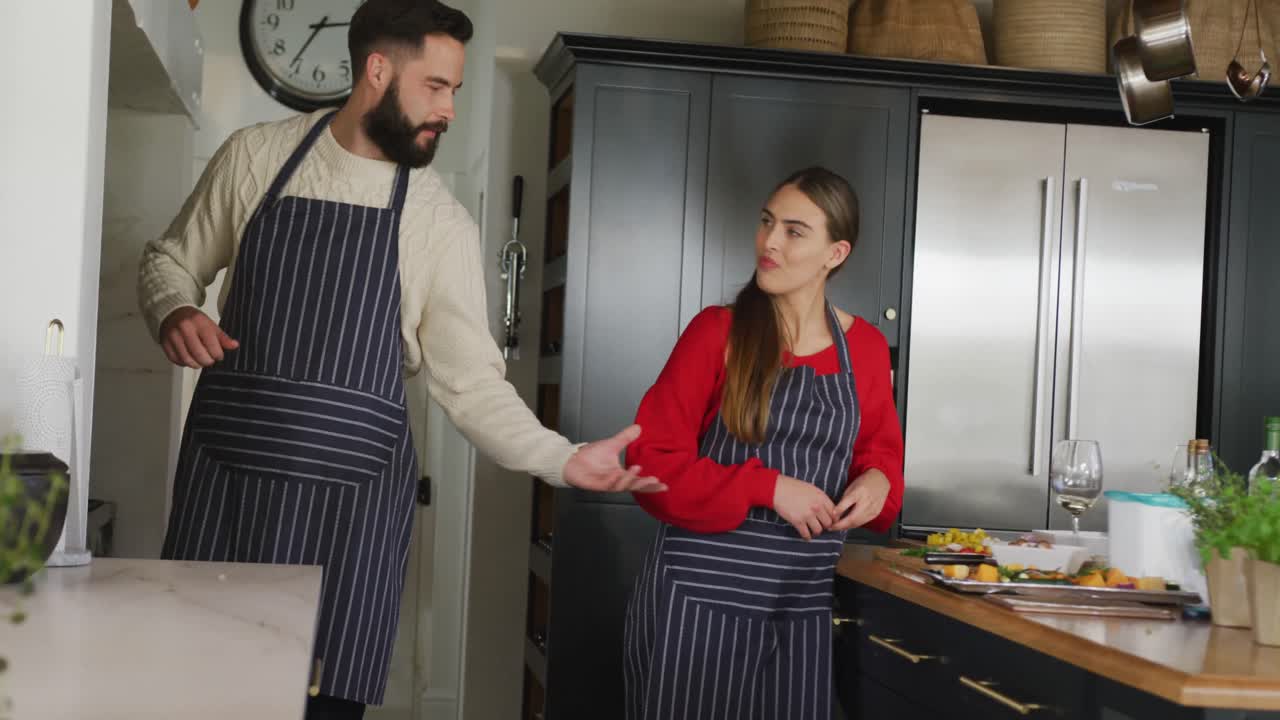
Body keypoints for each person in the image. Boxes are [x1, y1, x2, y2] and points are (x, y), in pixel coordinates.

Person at [135, 1, 664, 718]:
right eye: (436, 86)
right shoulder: (256, 158)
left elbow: (472, 385)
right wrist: (176, 309)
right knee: (192, 696)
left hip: (346, 531)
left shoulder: (437, 222)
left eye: (455, 90)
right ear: (378, 71)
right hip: (227, 501)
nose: (448, 109)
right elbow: (168, 260)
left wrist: (562, 459)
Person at [621, 167, 905, 719]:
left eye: (794, 231)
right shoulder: (716, 333)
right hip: (698, 608)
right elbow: (648, 462)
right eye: (767, 222)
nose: (769, 242)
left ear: (835, 253)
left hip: (802, 606)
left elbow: (881, 457)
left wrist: (877, 479)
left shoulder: (865, 348)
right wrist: (767, 486)